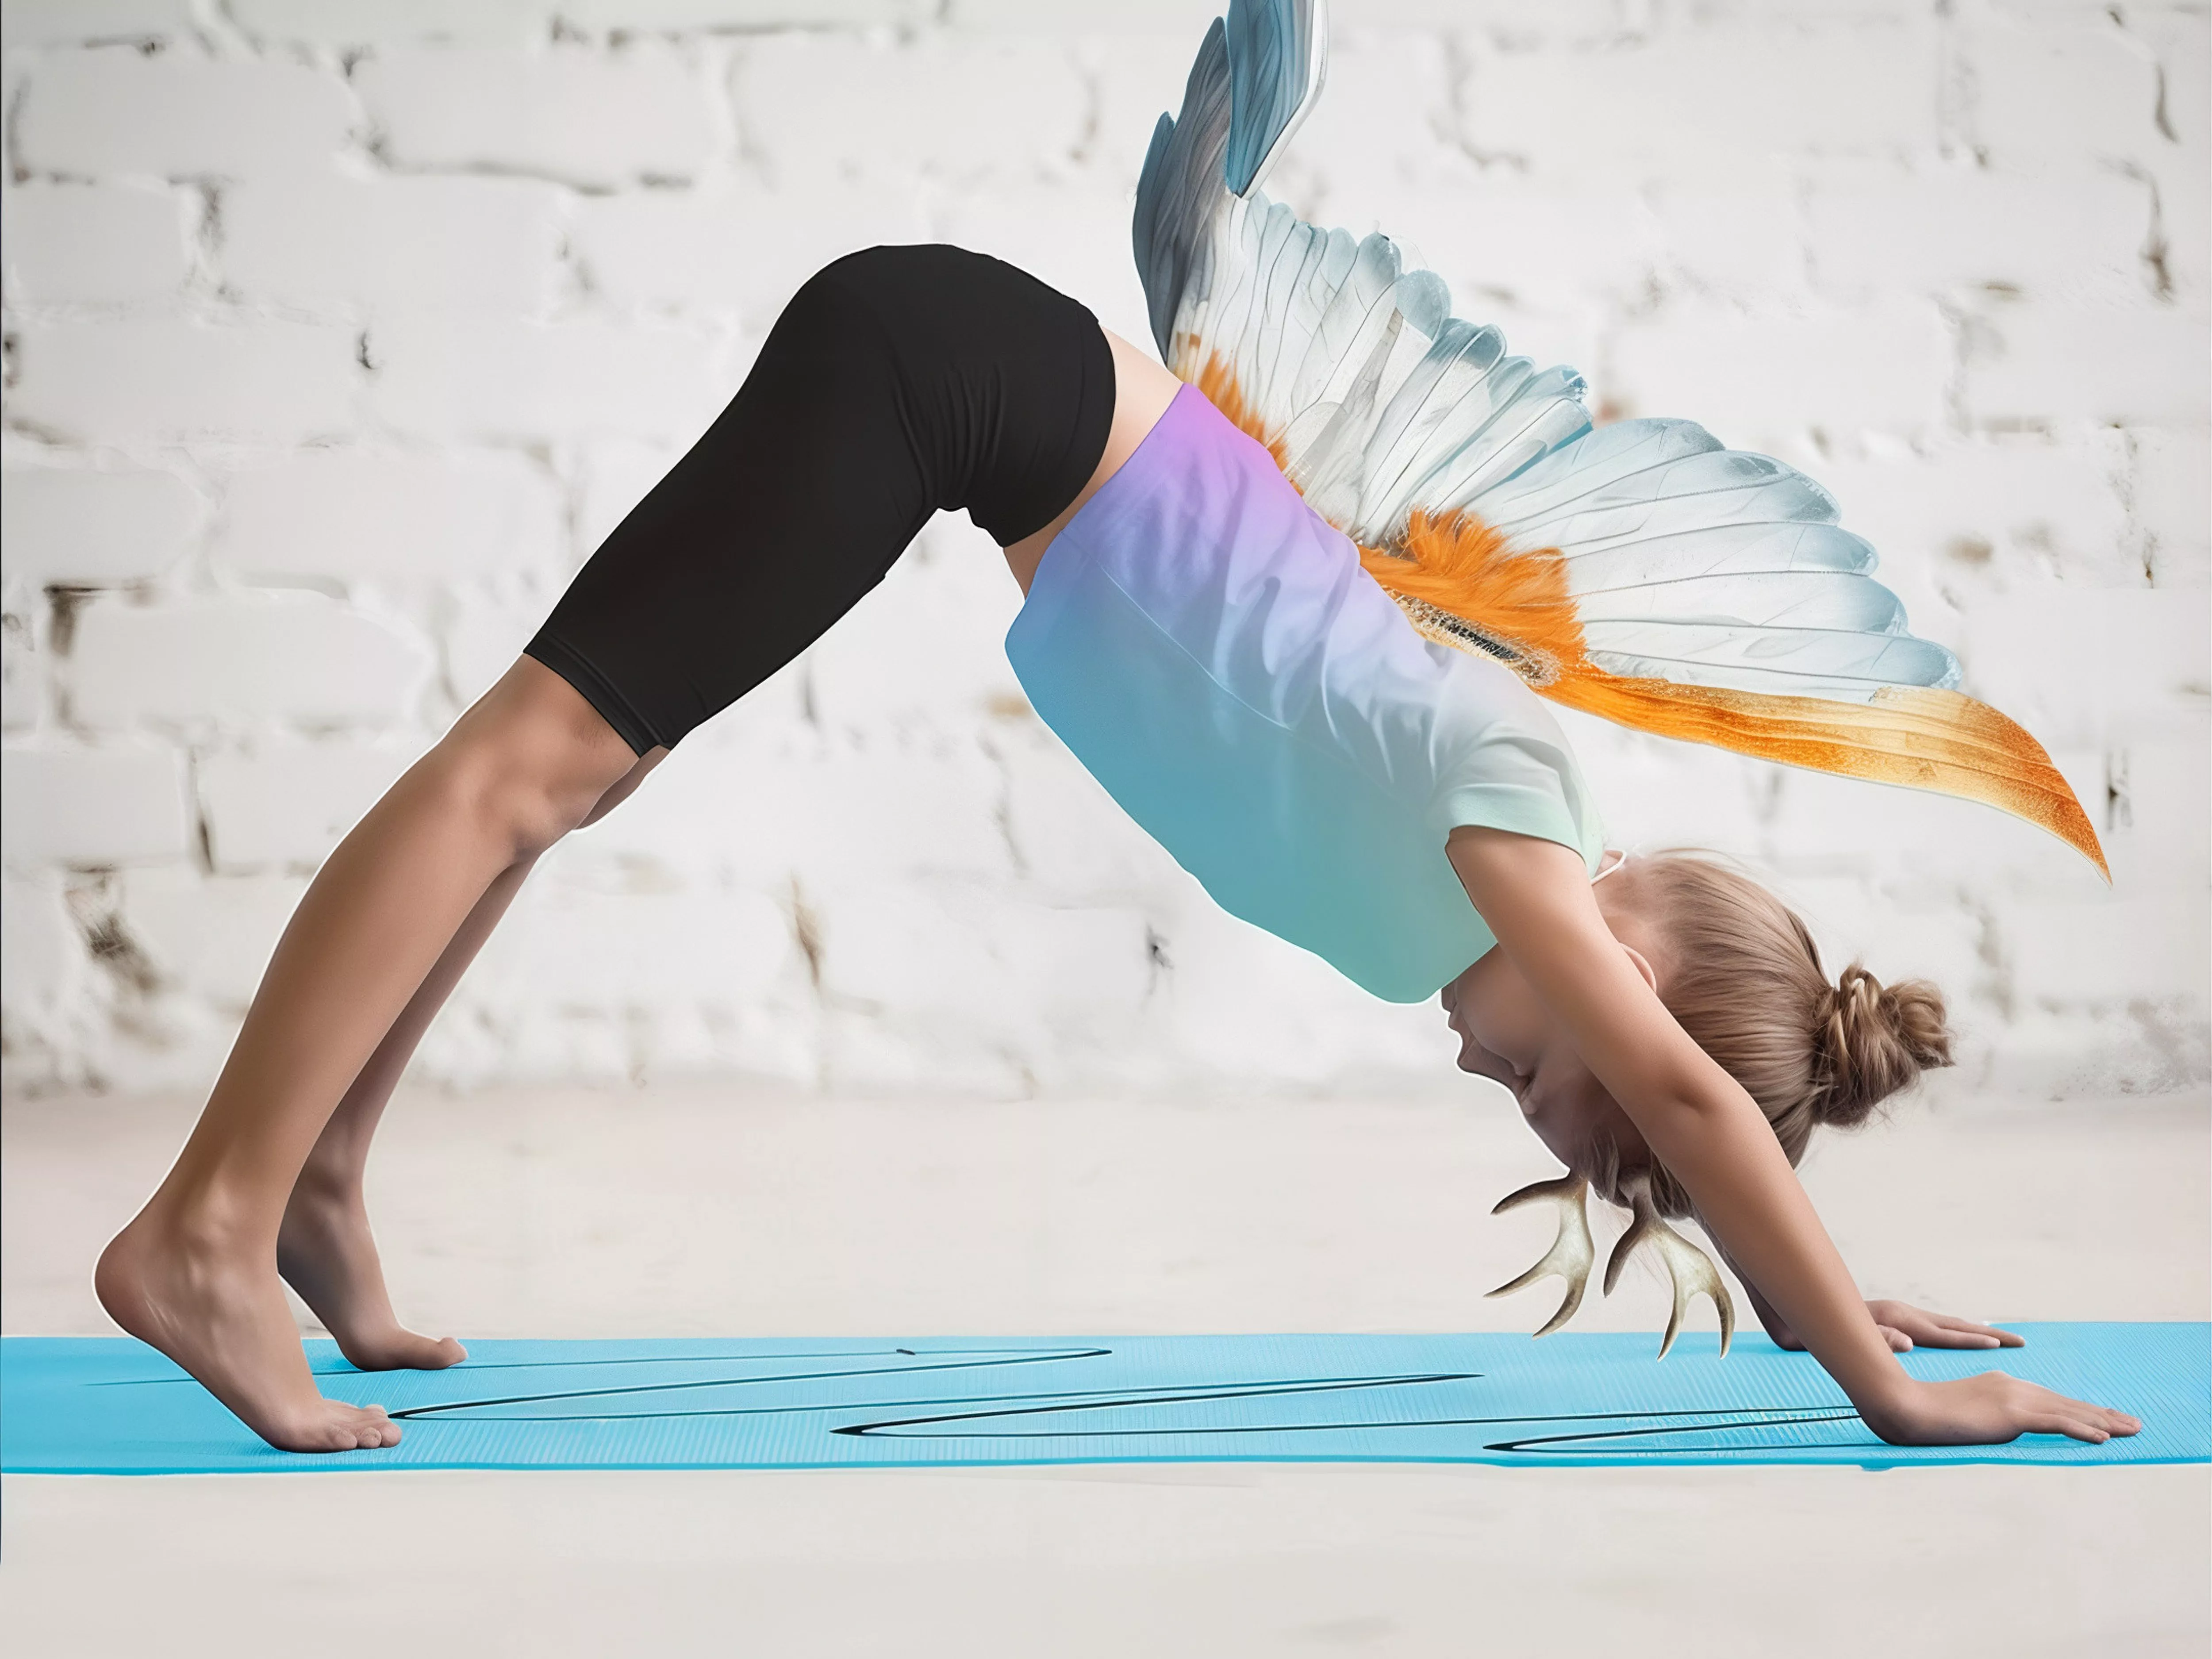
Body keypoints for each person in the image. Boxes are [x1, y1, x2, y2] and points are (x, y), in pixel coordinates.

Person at [95, 5, 2138, 1456]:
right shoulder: (1509, 802)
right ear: (1633, 957)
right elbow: (1686, 1101)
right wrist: (1872, 1380)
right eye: (1547, 1073)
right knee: (527, 764)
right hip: (944, 376)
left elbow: (1678, 1105)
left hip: (961, 399)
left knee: (576, 775)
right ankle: (200, 1229)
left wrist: (1799, 1292)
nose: (1495, 1073)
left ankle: (318, 1179)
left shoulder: (1447, 887)